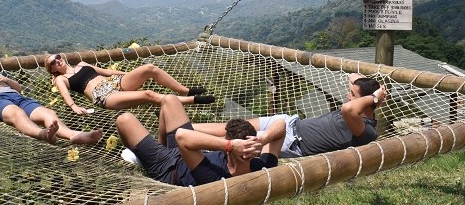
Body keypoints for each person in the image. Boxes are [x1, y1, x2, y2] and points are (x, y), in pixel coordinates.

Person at [194, 73, 386, 158]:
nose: (347, 96)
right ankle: (183, 130)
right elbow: (353, 76)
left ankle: (184, 141)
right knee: (233, 125)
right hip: (288, 121)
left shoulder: (366, 130)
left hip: (291, 140)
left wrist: (374, 98)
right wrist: (377, 91)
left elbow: (348, 110)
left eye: (351, 95)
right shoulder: (359, 106)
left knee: (228, 141)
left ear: (366, 101)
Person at [115, 94, 285, 186]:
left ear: (233, 148)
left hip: (167, 169)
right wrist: (263, 139)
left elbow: (182, 136)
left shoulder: (216, 179)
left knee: (124, 119)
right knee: (170, 100)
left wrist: (230, 145)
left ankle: (144, 159)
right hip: (191, 152)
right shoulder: (261, 166)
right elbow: (281, 124)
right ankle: (158, 147)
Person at [0, 56, 103, 145]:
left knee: (48, 113)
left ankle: (74, 135)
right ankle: (43, 134)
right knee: (16, 112)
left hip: (16, 96)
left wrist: (5, 79)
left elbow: (19, 88)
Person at [45, 54, 214, 114]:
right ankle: (194, 100)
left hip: (115, 82)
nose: (57, 61)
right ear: (52, 69)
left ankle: (185, 91)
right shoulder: (61, 79)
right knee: (148, 94)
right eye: (53, 62)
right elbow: (66, 96)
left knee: (149, 68)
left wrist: (131, 75)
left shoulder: (82, 64)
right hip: (105, 96)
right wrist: (74, 107)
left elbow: (108, 72)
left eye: (57, 57)